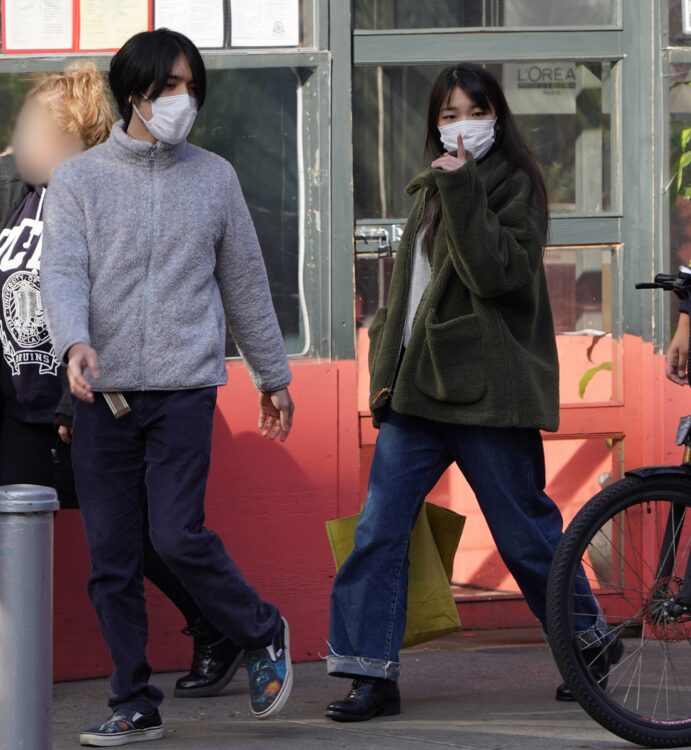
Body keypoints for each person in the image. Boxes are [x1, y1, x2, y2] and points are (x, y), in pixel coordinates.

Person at [325, 63, 618, 722]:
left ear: (495, 116)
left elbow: (495, 275)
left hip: (486, 393)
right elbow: (407, 294)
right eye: (449, 112)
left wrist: (460, 193)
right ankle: (370, 673)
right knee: (377, 531)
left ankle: (588, 643)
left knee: (524, 538)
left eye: (474, 110)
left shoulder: (515, 185)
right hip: (417, 394)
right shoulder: (432, 186)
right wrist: (384, 375)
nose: (461, 124)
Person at [41, 30, 295, 747]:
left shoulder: (214, 178)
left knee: (176, 534)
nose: (185, 100)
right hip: (104, 395)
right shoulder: (80, 180)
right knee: (112, 560)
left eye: (192, 87)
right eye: (170, 88)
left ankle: (258, 627)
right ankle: (133, 703)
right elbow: (60, 271)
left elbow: (245, 284)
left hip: (184, 388)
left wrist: (273, 377)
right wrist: (73, 341)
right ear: (135, 94)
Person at [1, 62, 247, 706]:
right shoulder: (20, 194)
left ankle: (217, 629)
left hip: (85, 398)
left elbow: (104, 303)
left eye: (39, 130)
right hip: (16, 406)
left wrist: (66, 398)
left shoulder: (100, 194)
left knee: (142, 536)